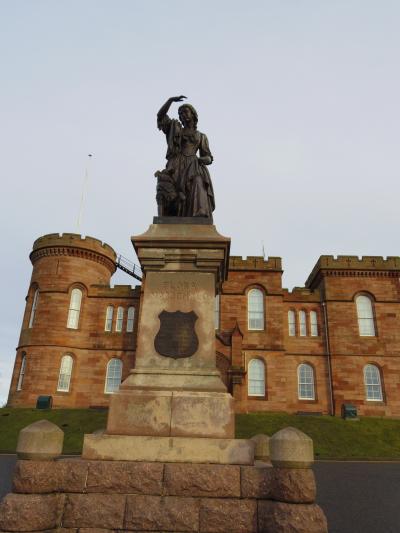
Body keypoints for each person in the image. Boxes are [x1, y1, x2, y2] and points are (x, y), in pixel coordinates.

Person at [156, 95, 215, 218]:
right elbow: (160, 116)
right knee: (173, 192)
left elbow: (208, 157)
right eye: (180, 114)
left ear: (193, 115)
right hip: (176, 166)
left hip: (194, 166)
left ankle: (198, 215)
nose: (182, 115)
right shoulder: (175, 129)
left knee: (198, 181)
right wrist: (170, 101)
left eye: (185, 112)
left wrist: (203, 159)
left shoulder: (201, 136)